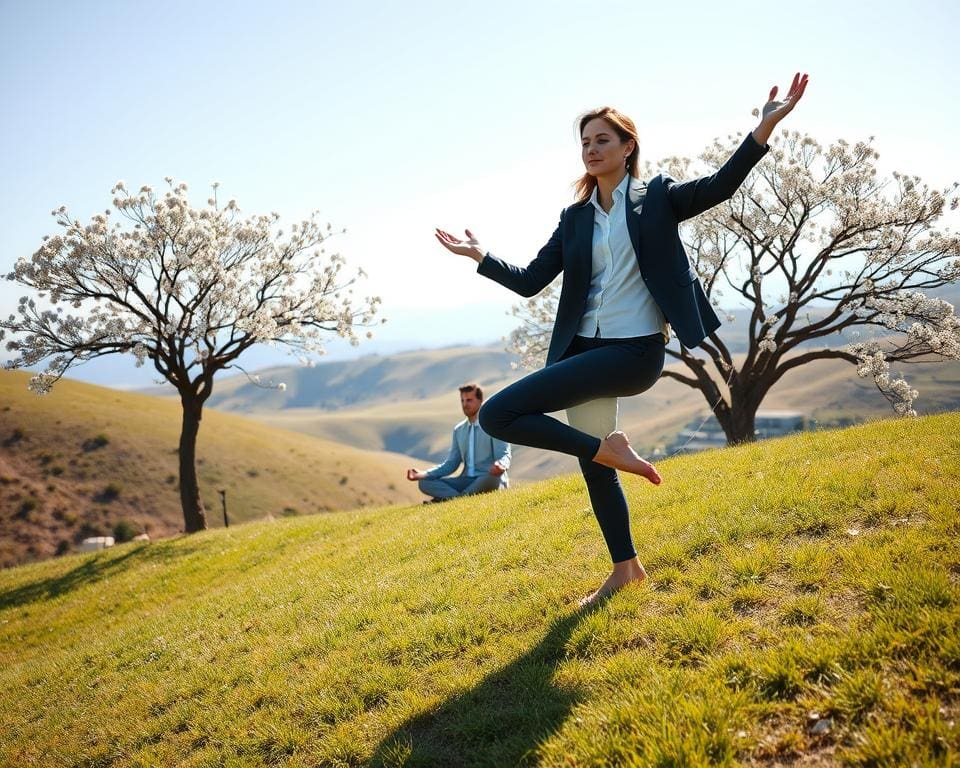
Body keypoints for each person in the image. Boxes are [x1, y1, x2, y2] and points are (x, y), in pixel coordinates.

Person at [434, 73, 809, 607]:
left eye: (602, 140)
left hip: (633, 352)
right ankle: (626, 568)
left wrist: (764, 127)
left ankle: (610, 452)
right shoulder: (575, 219)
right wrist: (481, 256)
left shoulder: (656, 198)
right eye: (584, 142)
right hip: (582, 351)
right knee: (596, 467)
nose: (591, 149)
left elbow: (721, 185)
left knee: (496, 414)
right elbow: (531, 281)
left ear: (628, 146)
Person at [406, 383, 511, 501]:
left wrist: (501, 465)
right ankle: (460, 498)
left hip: (488, 478)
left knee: (493, 478)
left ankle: (447, 498)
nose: (465, 404)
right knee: (424, 482)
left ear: (480, 400)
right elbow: (451, 464)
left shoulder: (492, 425)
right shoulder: (459, 430)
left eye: (469, 400)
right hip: (465, 480)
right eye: (462, 401)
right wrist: (425, 474)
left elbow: (504, 454)